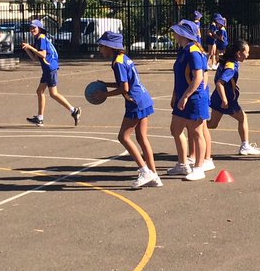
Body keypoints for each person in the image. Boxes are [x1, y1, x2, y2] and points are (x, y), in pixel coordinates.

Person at [96, 31, 163, 188]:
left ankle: (144, 170)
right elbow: (127, 82)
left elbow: (124, 88)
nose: (99, 49)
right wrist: (107, 84)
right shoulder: (123, 58)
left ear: (109, 47)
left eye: (101, 46)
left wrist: (105, 94)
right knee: (141, 137)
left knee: (123, 137)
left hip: (135, 101)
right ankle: (154, 175)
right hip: (143, 98)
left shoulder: (117, 63)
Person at [166, 19, 210, 180]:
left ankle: (199, 168)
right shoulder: (183, 51)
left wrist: (185, 96)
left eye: (176, 32)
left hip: (194, 98)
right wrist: (175, 95)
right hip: (182, 96)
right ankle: (183, 164)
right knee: (175, 129)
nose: (174, 35)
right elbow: (179, 77)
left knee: (197, 132)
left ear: (183, 34)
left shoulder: (194, 52)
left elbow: (198, 78)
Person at [21, 19, 80, 126]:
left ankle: (73, 110)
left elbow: (43, 54)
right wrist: (27, 49)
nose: (32, 29)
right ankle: (40, 118)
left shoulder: (41, 38)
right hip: (47, 68)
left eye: (34, 28)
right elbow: (35, 58)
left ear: (39, 28)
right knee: (40, 91)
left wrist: (30, 47)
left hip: (49, 68)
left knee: (53, 94)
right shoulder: (38, 39)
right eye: (30, 28)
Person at [208, 39, 260, 155]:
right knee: (242, 118)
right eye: (246, 52)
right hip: (226, 98)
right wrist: (225, 100)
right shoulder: (231, 66)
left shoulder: (227, 61)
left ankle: (195, 128)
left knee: (212, 124)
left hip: (217, 97)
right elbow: (219, 83)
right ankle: (245, 145)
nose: (248, 55)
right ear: (239, 53)